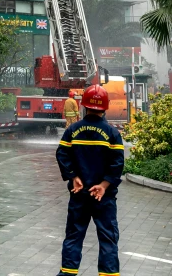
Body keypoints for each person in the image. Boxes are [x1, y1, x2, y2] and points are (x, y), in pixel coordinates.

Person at [56, 85, 124, 276]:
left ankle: (67, 274)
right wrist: (103, 186)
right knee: (108, 238)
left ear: (84, 106)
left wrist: (73, 176)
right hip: (104, 198)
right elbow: (117, 163)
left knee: (74, 236)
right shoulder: (112, 133)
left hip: (79, 195)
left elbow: (62, 154)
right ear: (105, 107)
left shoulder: (73, 130)